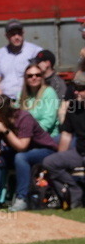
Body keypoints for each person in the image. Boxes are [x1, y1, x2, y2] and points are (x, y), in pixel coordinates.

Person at [0, 94, 57, 211]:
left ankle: (22, 199)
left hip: (45, 150)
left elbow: (22, 147)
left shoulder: (24, 117)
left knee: (21, 157)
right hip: (20, 152)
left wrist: (5, 130)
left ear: (4, 111)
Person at [40, 71, 85, 208]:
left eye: (81, 89)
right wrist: (60, 156)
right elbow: (66, 134)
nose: (76, 92)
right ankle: (74, 192)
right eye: (75, 88)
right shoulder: (73, 107)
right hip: (79, 152)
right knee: (50, 162)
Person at [0, 20, 42, 99]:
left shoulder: (35, 51)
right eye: (13, 34)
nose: (16, 37)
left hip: (29, 99)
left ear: (23, 33)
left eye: (19, 33)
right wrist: (3, 99)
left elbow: (43, 77)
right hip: (6, 99)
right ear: (6, 36)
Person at [18, 63, 60, 137]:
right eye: (30, 76)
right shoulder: (20, 95)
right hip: (25, 137)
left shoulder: (49, 92)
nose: (34, 78)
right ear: (25, 79)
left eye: (38, 75)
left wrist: (28, 134)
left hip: (47, 137)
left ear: (42, 77)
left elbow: (48, 121)